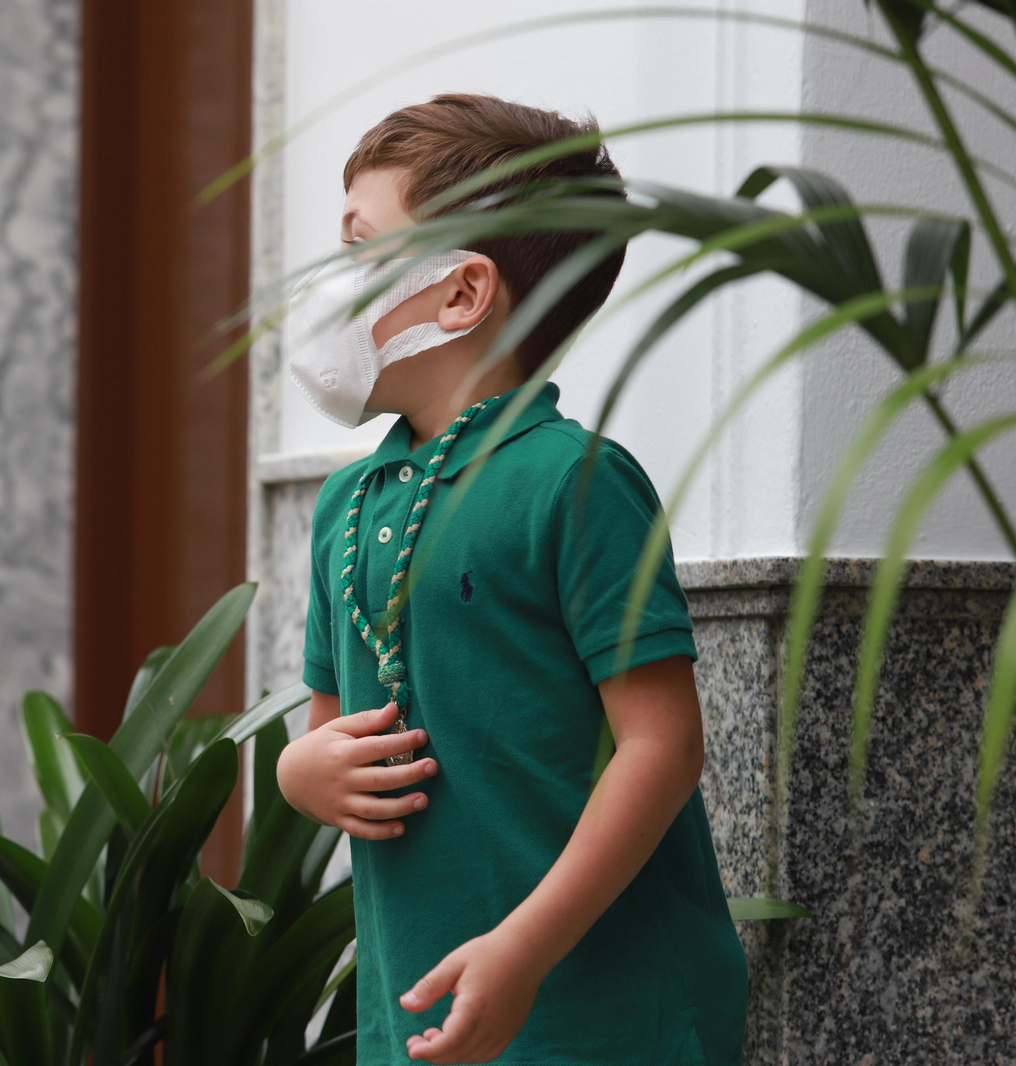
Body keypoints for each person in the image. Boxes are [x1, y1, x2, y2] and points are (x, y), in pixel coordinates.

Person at [275, 94, 748, 1065]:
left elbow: (660, 745)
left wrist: (524, 948)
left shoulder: (573, 483)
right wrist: (298, 771)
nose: (324, 287)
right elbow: (331, 729)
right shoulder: (345, 506)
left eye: (358, 251)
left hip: (603, 1023)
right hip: (415, 1011)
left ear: (460, 293)